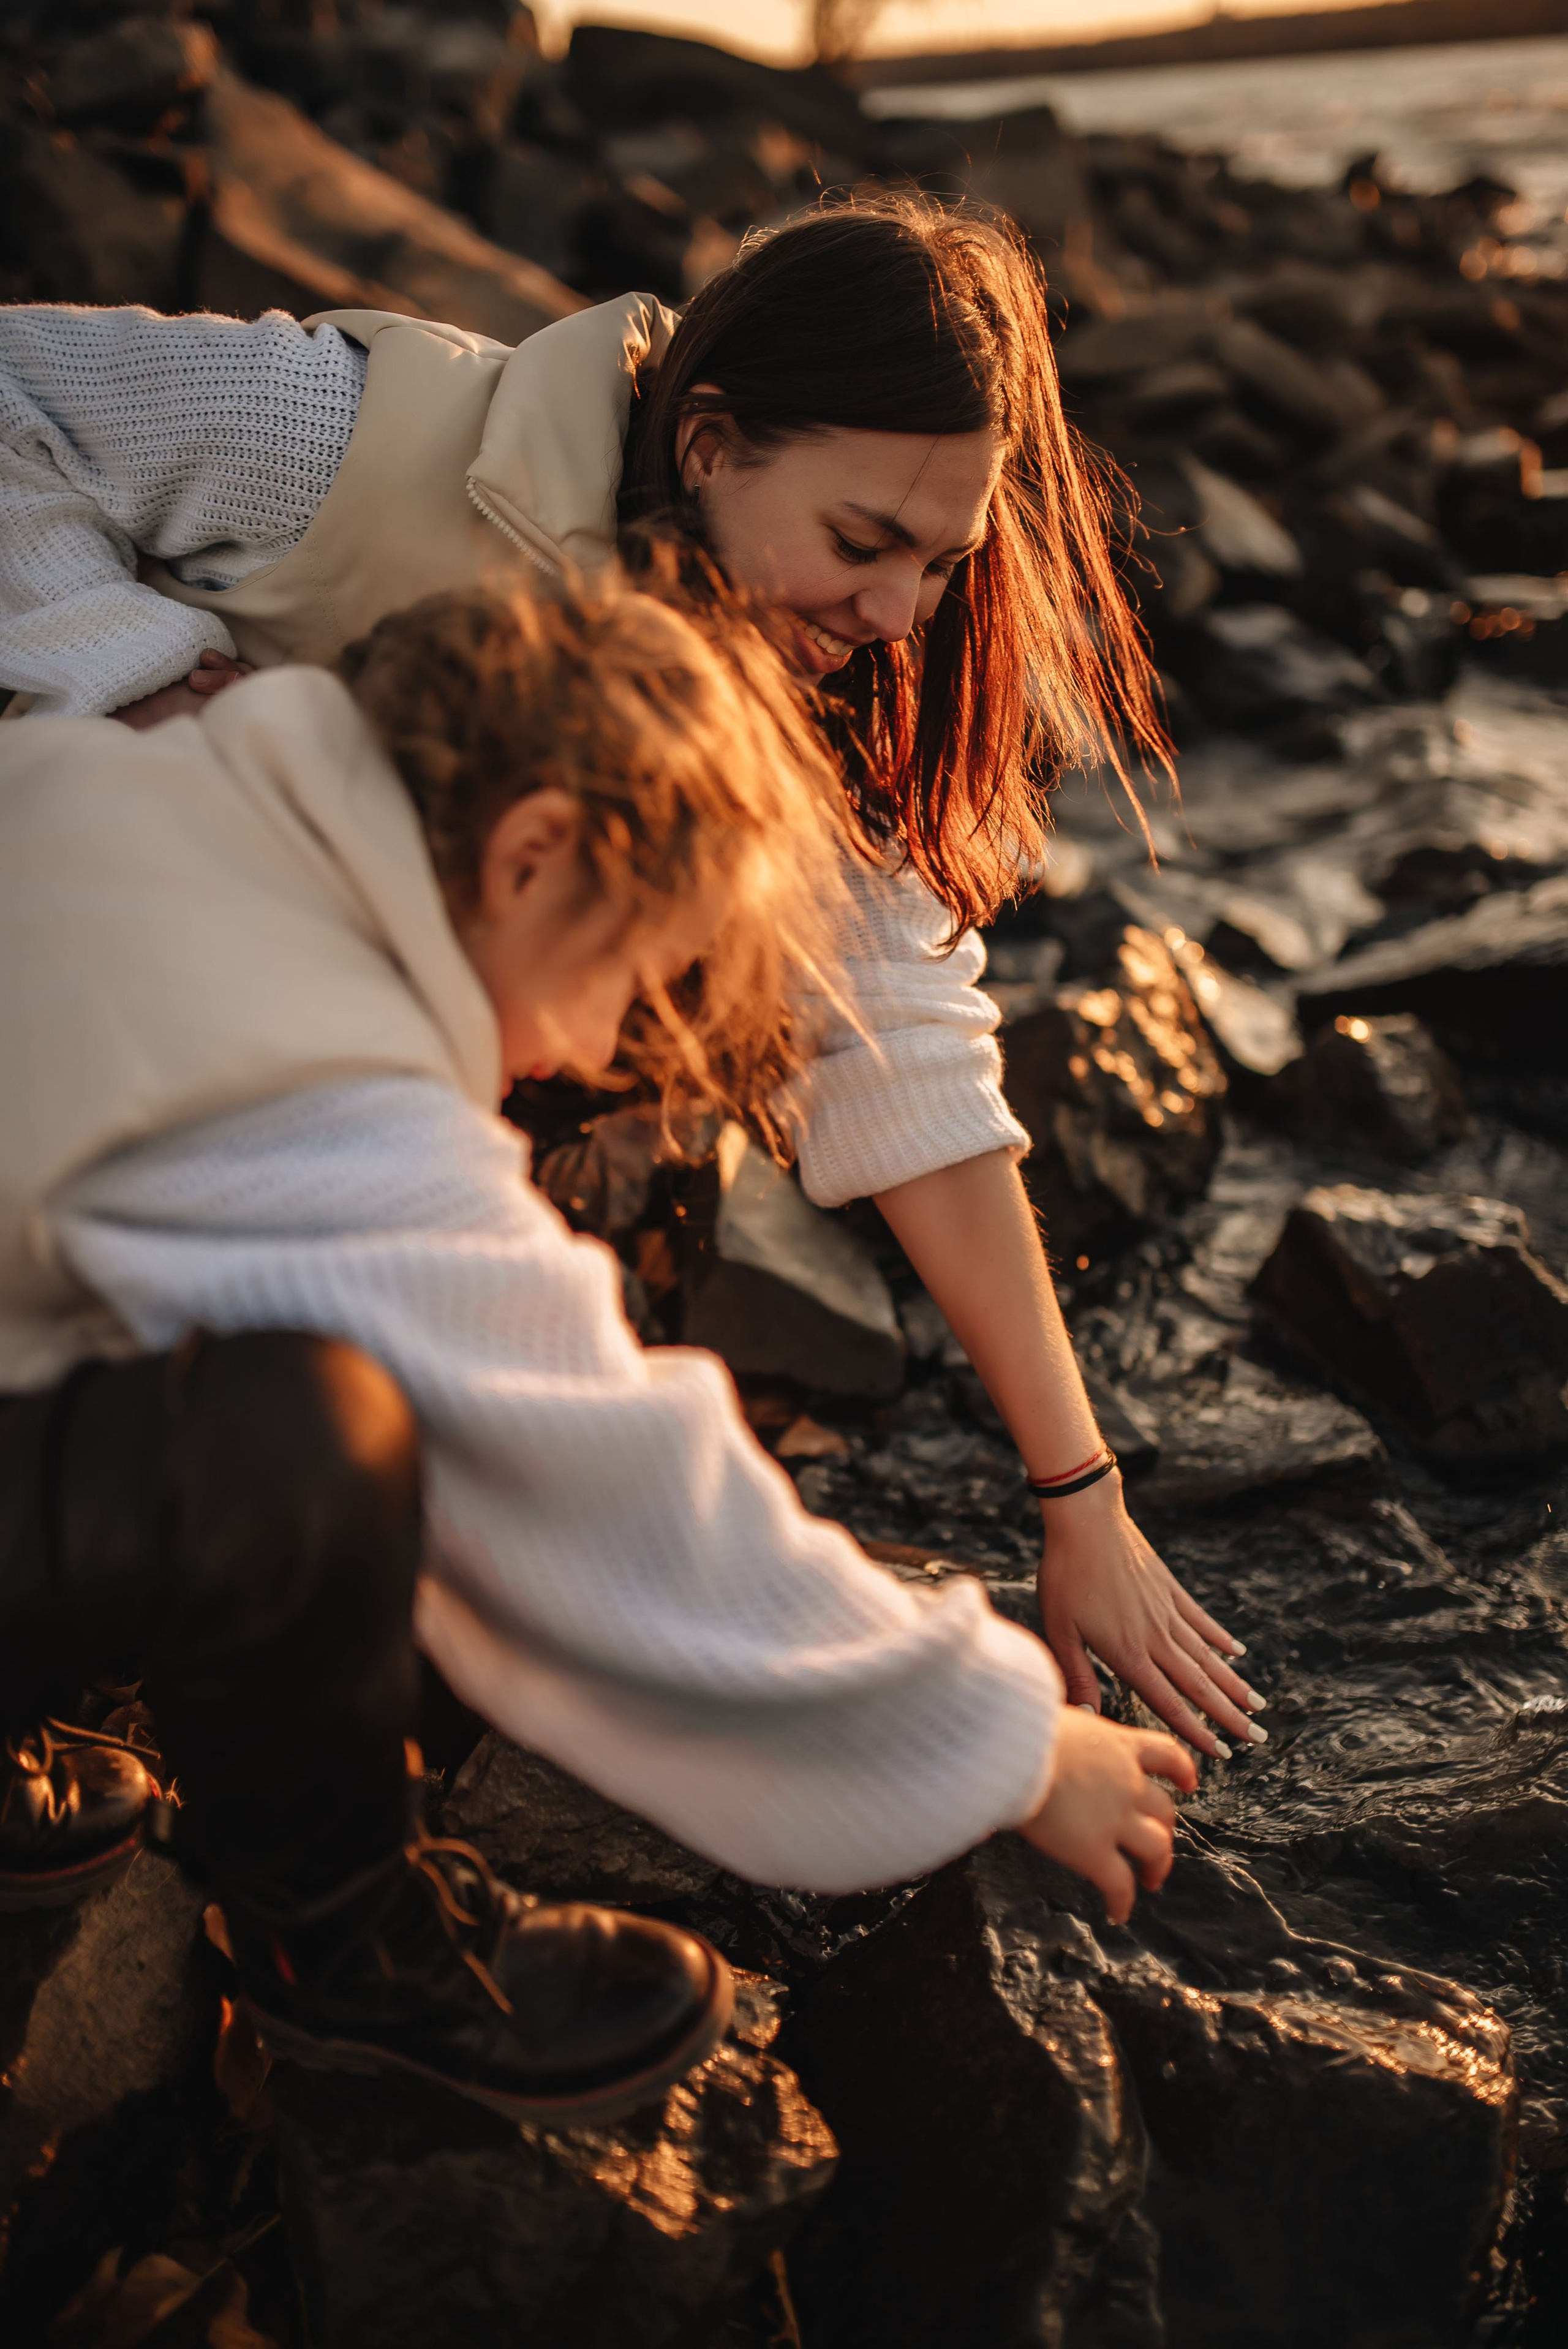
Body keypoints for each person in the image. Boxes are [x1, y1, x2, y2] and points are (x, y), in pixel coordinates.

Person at [0, 193, 1267, 1760]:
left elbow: (909, 1062)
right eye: (863, 543)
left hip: (301, 1122)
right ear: (711, 444)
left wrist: (1079, 1497)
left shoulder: (832, 680)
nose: (894, 616)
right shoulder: (348, 427)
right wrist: (117, 677)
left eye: (939, 566)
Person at [0, 578, 1194, 2117]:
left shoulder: (126, 797)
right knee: (302, 1432)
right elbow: (607, 1466)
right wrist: (1009, 1742)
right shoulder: (296, 1069)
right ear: (531, 849)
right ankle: (358, 1959)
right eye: (622, 968)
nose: (582, 1045)